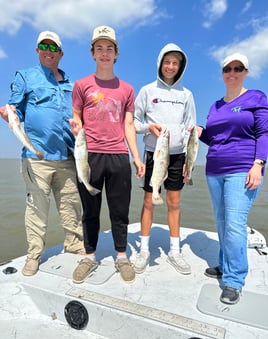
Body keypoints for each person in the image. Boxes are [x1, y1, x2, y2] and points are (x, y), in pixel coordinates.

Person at [0, 31, 85, 276]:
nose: (48, 50)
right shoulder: (25, 77)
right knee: (36, 210)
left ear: (61, 53)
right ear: (37, 50)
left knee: (71, 207)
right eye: (43, 46)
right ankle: (34, 255)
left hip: (68, 158)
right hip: (36, 158)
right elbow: (15, 109)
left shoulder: (72, 86)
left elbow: (81, 118)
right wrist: (8, 114)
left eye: (53, 46)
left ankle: (75, 246)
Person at [70, 25, 145, 284]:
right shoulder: (81, 85)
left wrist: (135, 156)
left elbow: (128, 125)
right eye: (99, 48)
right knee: (90, 211)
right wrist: (76, 125)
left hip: (118, 156)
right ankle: (89, 257)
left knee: (119, 210)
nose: (104, 53)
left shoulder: (127, 89)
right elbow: (77, 116)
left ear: (116, 54)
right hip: (89, 156)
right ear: (92, 53)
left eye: (109, 49)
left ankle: (121, 255)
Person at [197, 53, 268, 304]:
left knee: (235, 223)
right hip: (214, 168)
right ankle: (225, 264)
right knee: (221, 221)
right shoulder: (215, 105)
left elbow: (264, 132)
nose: (233, 72)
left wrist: (258, 165)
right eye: (228, 68)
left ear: (246, 72)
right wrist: (199, 132)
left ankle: (234, 280)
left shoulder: (256, 97)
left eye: (238, 68)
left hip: (242, 168)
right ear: (223, 73)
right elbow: (214, 138)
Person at [133, 43, 196, 275]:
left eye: (175, 63)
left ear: (180, 67)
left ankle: (174, 251)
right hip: (155, 153)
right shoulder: (147, 91)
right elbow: (134, 122)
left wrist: (190, 163)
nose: (170, 66)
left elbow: (190, 129)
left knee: (174, 203)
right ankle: (144, 250)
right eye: (167, 61)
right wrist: (149, 127)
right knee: (149, 201)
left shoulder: (186, 95)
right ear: (160, 63)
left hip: (178, 155)